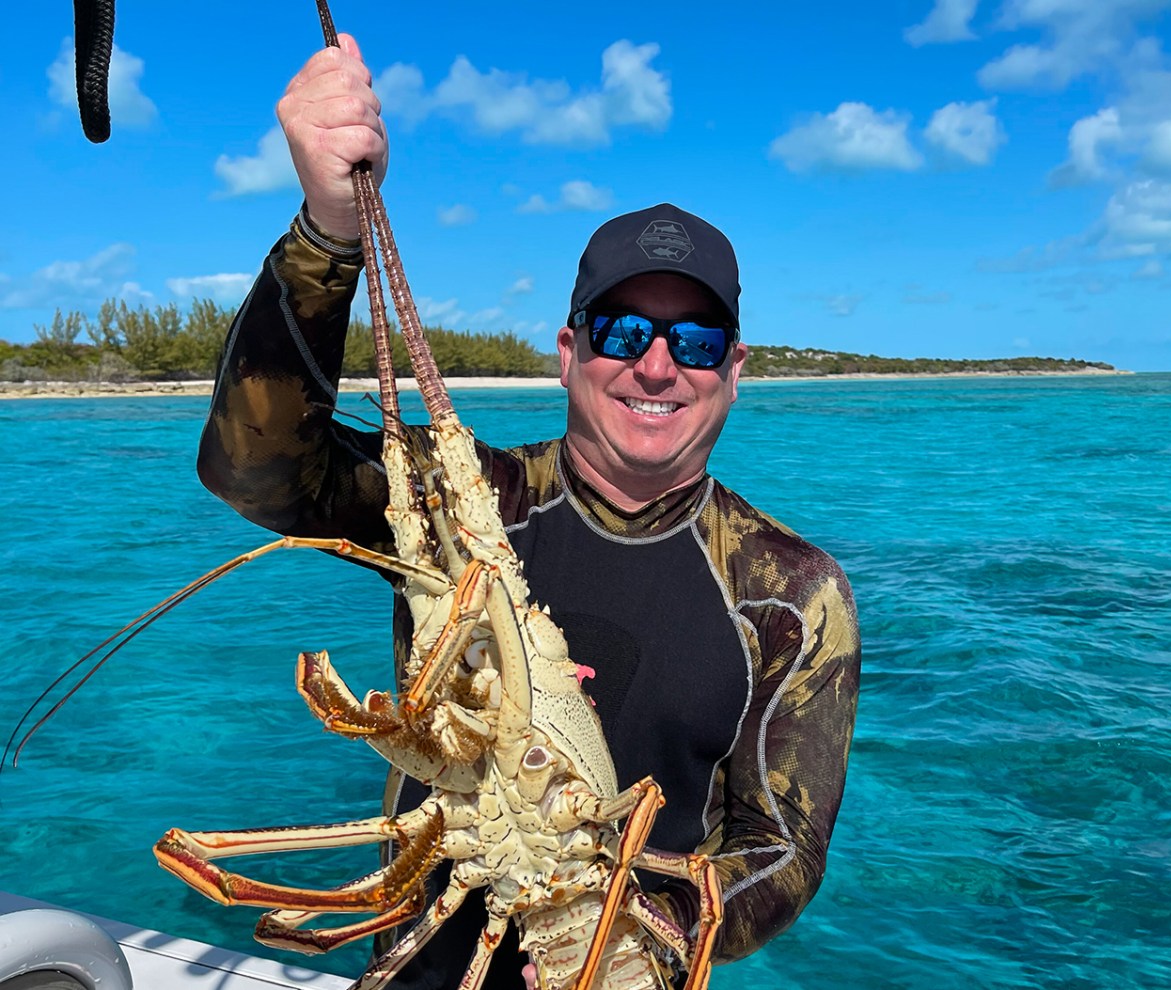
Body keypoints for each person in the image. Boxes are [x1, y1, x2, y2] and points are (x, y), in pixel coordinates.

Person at [197, 34, 860, 990]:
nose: (658, 364)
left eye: (697, 339)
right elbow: (254, 468)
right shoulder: (468, 507)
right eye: (624, 331)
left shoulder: (792, 593)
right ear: (568, 350)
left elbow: (781, 851)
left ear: (735, 370)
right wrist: (330, 231)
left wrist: (626, 918)